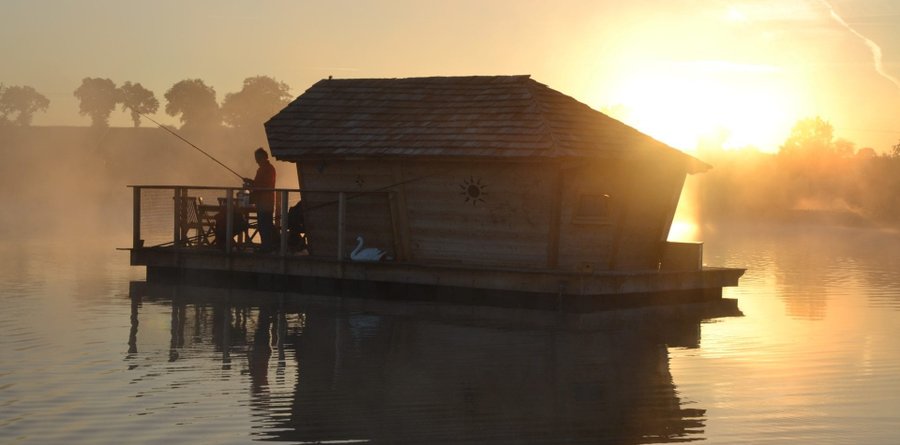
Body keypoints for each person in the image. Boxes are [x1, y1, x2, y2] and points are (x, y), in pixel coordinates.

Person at [243, 147, 276, 252]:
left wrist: (251, 185)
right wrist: (251, 182)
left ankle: (267, 248)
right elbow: (259, 184)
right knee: (263, 225)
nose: (256, 160)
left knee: (265, 225)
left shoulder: (268, 169)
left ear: (262, 157)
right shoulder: (263, 169)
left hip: (265, 202)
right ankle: (266, 247)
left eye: (257, 158)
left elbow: (264, 185)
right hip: (261, 201)